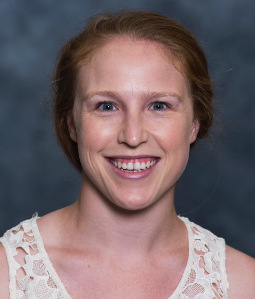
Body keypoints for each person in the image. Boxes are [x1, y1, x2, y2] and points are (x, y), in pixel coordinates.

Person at [0, 10, 254, 299]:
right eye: (107, 106)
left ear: (195, 124)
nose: (133, 136)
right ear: (71, 124)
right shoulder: (7, 276)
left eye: (159, 106)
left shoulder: (245, 285)